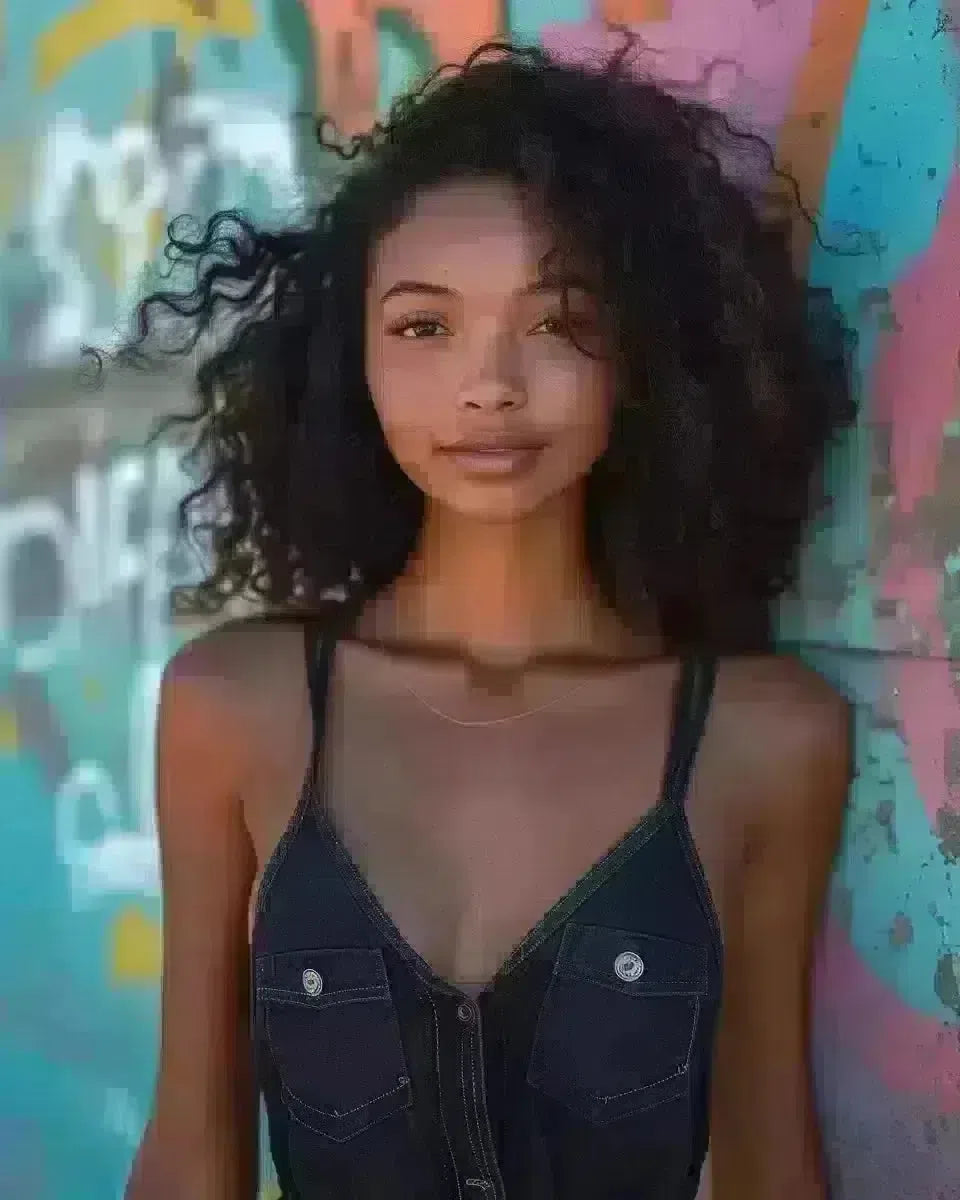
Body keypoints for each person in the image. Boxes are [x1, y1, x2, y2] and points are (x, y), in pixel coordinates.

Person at [122, 40, 856, 1200]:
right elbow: (189, 1161)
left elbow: (773, 1170)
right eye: (424, 327)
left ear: (651, 356)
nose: (491, 385)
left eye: (558, 321)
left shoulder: (765, 739)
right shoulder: (234, 709)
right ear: (349, 357)